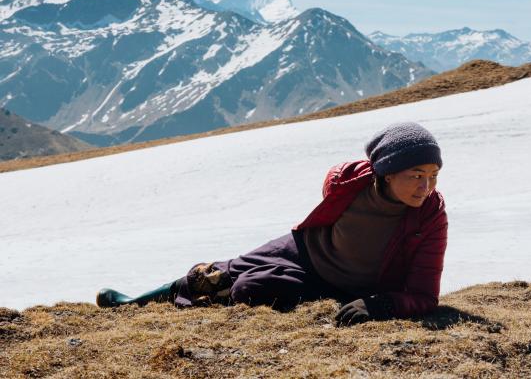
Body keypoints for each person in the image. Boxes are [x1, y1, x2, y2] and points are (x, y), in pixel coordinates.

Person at [96, 122, 448, 326]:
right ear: (385, 174)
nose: (426, 187)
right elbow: (334, 183)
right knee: (217, 271)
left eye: (433, 176)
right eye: (416, 175)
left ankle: (212, 302)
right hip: (302, 248)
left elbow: (423, 295)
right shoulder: (350, 182)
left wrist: (380, 305)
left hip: (335, 283)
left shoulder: (430, 218)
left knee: (255, 289)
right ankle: (132, 305)